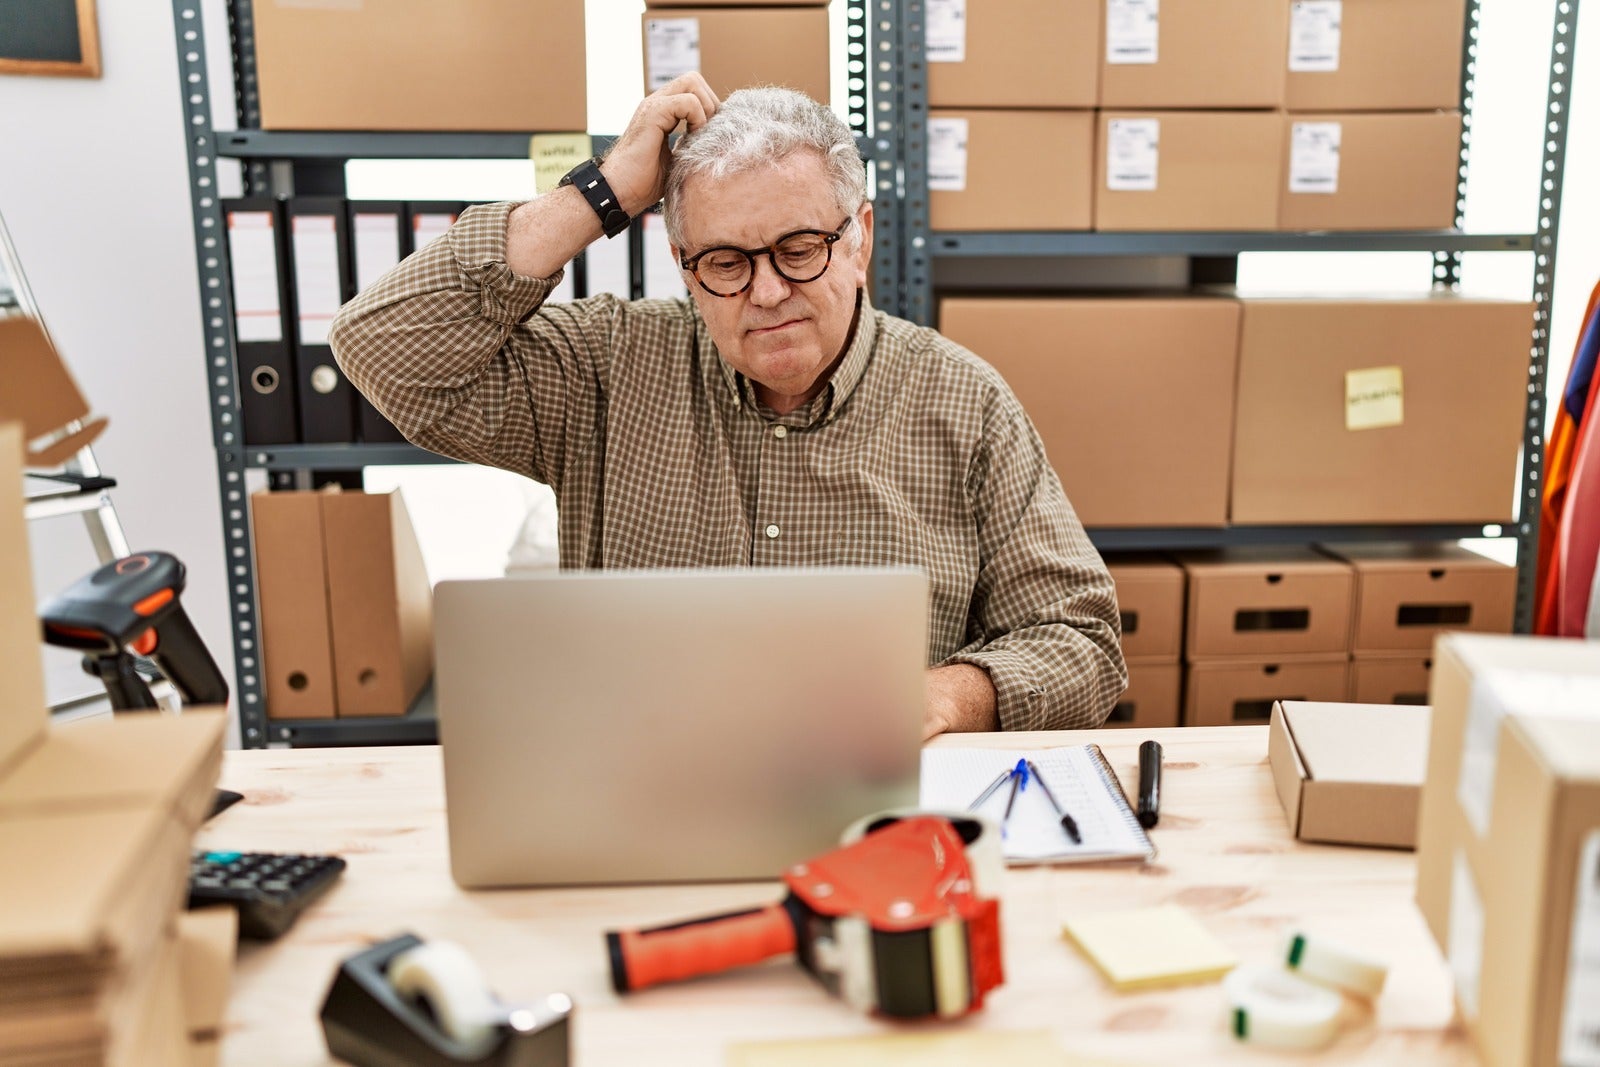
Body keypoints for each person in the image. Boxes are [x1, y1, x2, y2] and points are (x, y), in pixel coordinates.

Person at [331, 75, 1126, 737]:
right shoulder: (605, 367)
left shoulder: (966, 403)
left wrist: (946, 696)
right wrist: (602, 193)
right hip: (638, 801)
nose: (768, 291)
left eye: (799, 248)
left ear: (859, 240)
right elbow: (380, 344)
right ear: (683, 265)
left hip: (873, 817)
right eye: (725, 262)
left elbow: (1083, 643)